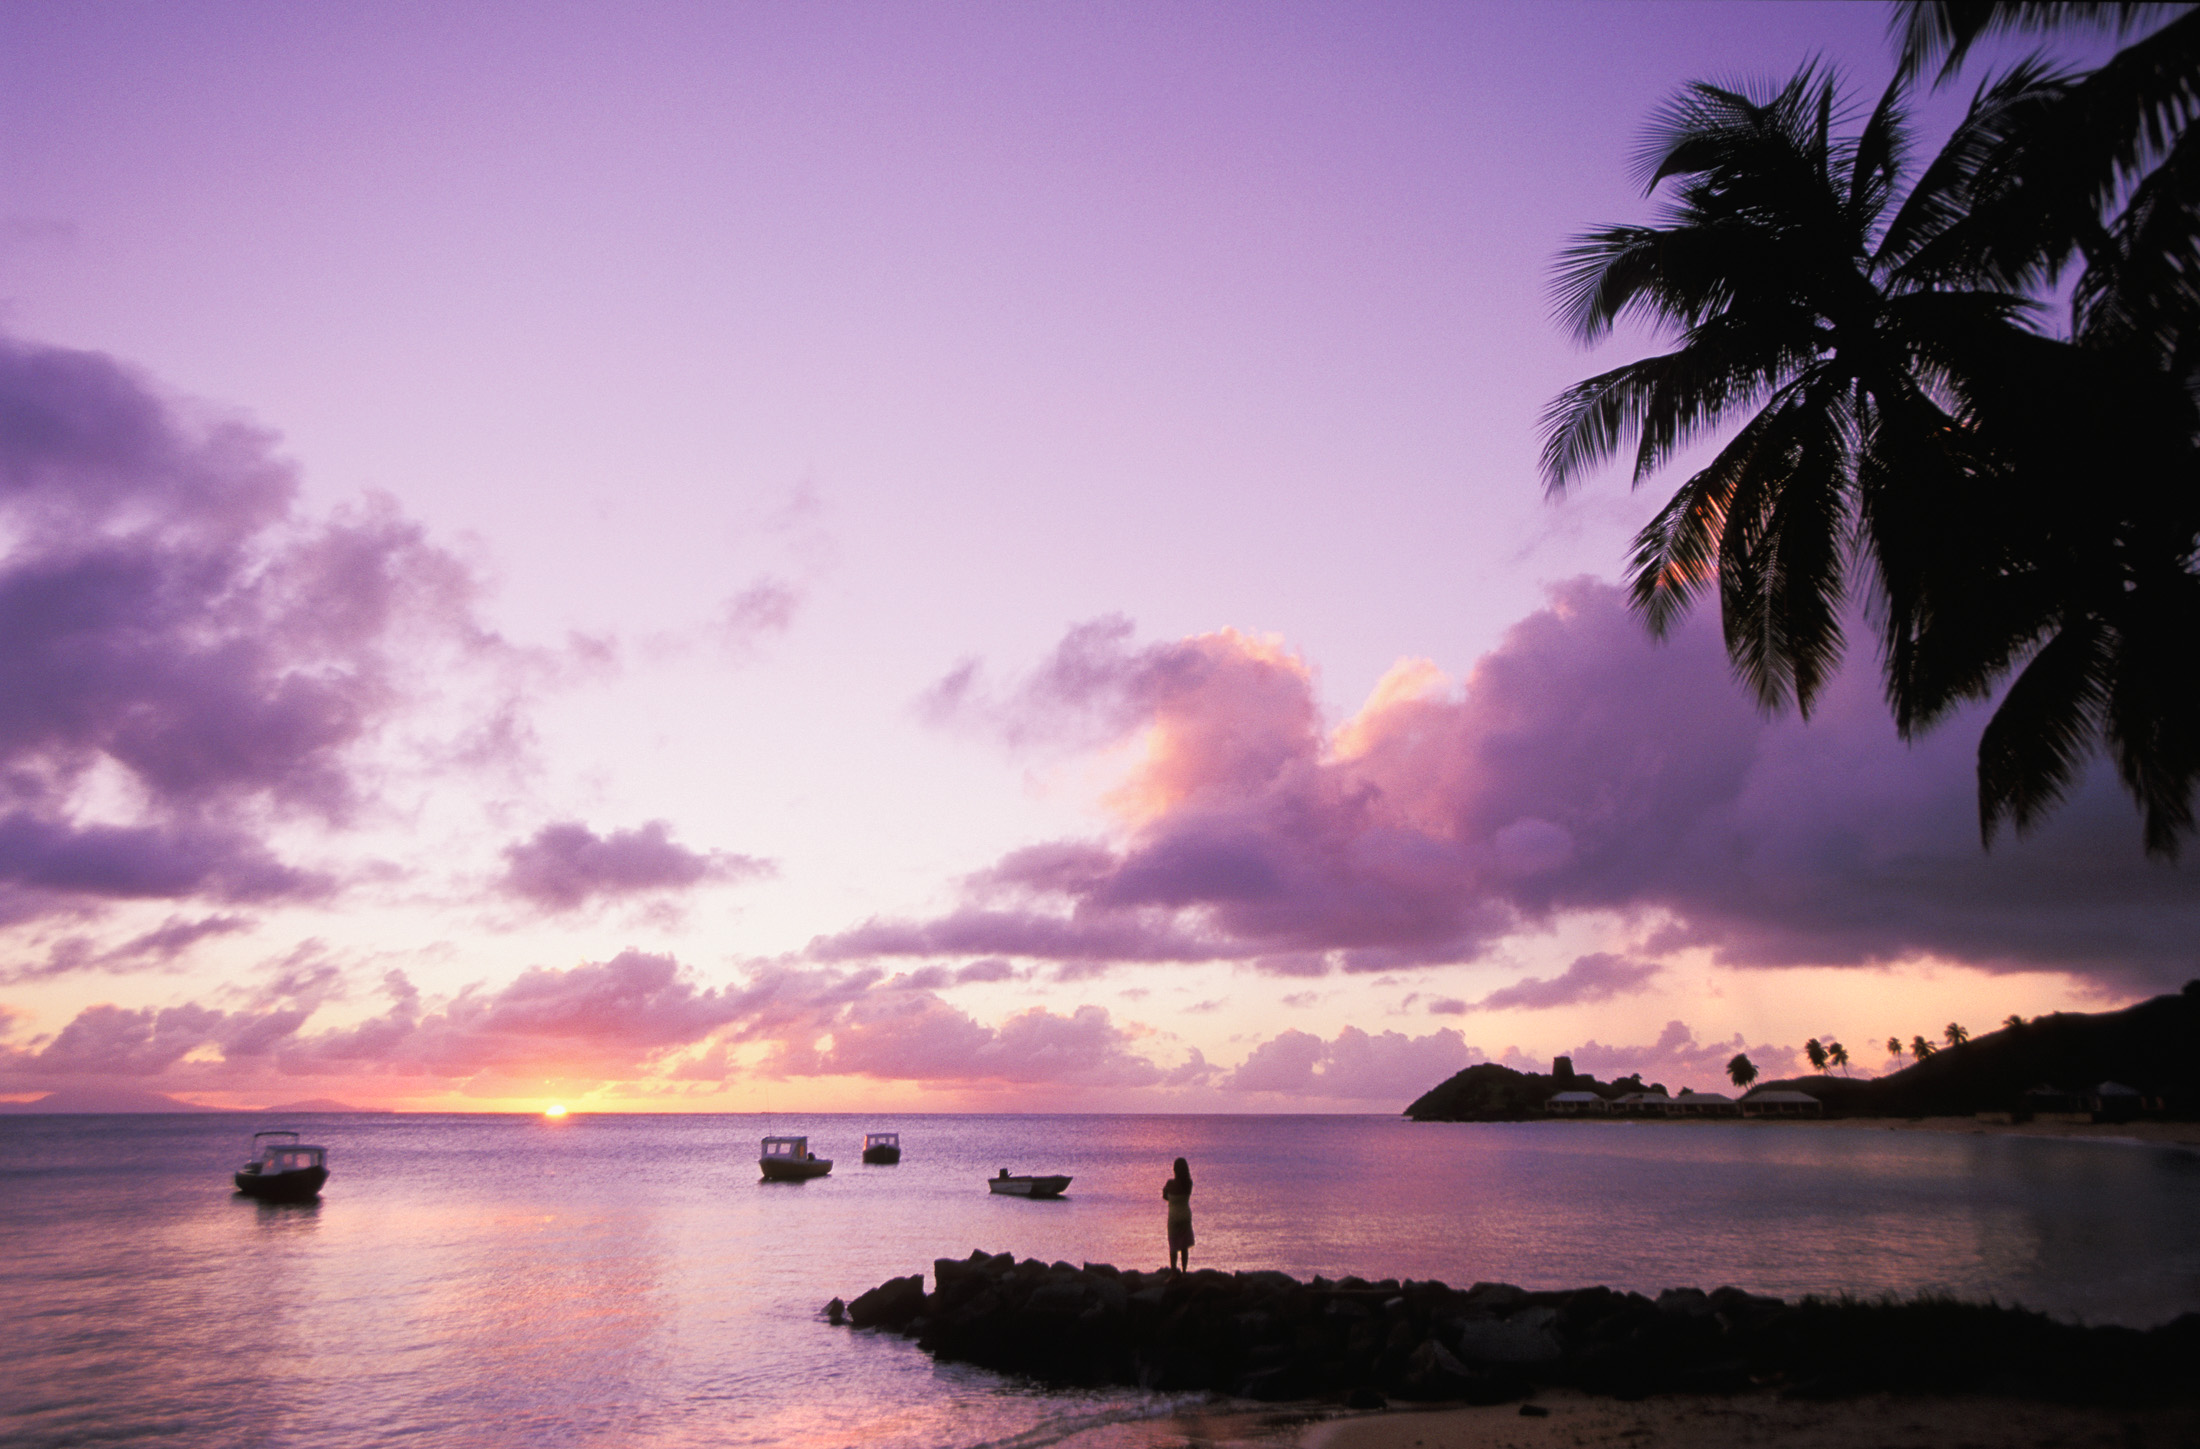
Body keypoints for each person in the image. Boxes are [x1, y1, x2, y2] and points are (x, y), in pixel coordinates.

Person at [1161, 1156, 1194, 1273]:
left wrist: (1168, 1194)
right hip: (1185, 1216)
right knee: (1184, 1247)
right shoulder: (1189, 1184)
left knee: (1173, 1246)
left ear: (1174, 1169)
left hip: (1174, 1217)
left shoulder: (1170, 1184)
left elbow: (1165, 1196)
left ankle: (1174, 1272)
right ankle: (1184, 1272)